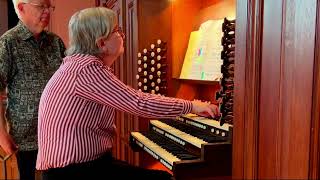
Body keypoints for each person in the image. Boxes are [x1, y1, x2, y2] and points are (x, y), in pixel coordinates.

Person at [36, 7, 219, 180]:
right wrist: (193, 105)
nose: (122, 35)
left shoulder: (78, 64)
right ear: (101, 43)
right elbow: (140, 103)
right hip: (74, 172)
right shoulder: (87, 69)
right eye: (117, 31)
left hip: (81, 166)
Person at [0, 0, 65, 179]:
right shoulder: (8, 42)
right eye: (41, 6)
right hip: (26, 138)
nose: (47, 11)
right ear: (21, 7)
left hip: (59, 133)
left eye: (49, 7)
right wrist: (2, 135)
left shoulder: (55, 42)